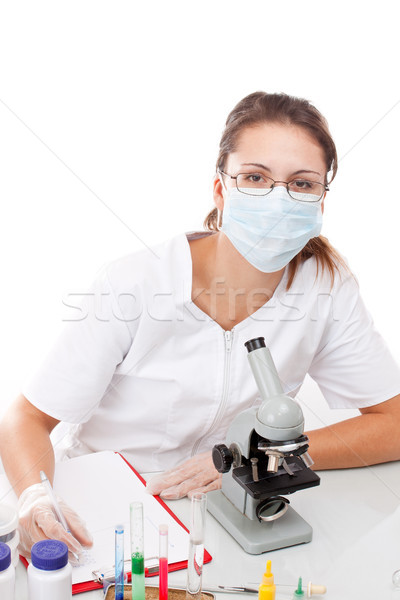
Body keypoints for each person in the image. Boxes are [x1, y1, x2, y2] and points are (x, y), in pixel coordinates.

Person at [1, 91, 399, 562]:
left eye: (302, 183)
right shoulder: (136, 281)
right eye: (255, 178)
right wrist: (33, 495)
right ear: (220, 190)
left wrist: (257, 458)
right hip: (106, 512)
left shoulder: (326, 288)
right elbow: (28, 418)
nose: (278, 199)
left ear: (321, 202)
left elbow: (392, 422)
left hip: (227, 511)